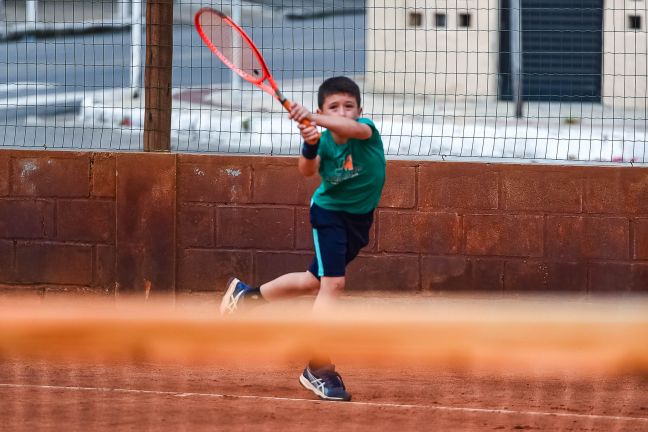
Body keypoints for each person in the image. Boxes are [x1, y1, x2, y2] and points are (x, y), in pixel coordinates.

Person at [219, 76, 386, 402]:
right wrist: (310, 142)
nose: (343, 112)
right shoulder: (323, 140)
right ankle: (317, 366)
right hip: (329, 216)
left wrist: (313, 115)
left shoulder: (365, 131)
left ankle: (246, 298)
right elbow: (308, 170)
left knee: (313, 281)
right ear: (324, 109)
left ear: (360, 111)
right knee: (332, 286)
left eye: (348, 107)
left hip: (358, 220)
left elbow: (348, 128)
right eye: (333, 107)